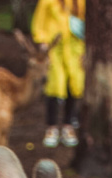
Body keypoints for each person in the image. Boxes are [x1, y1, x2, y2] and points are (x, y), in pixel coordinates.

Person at [31, 0, 85, 148]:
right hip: (55, 49)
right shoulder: (48, 2)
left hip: (75, 50)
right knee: (55, 86)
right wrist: (41, 40)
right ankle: (52, 127)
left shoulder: (80, 2)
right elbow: (39, 22)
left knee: (74, 86)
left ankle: (68, 126)